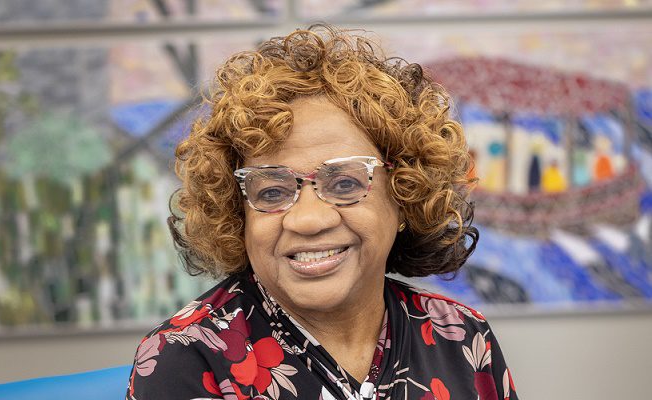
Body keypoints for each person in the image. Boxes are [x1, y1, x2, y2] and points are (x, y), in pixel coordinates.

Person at [126, 25, 518, 400]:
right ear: (237, 215)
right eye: (273, 190)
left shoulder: (462, 336)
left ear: (405, 196)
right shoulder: (186, 359)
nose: (308, 219)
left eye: (345, 184)